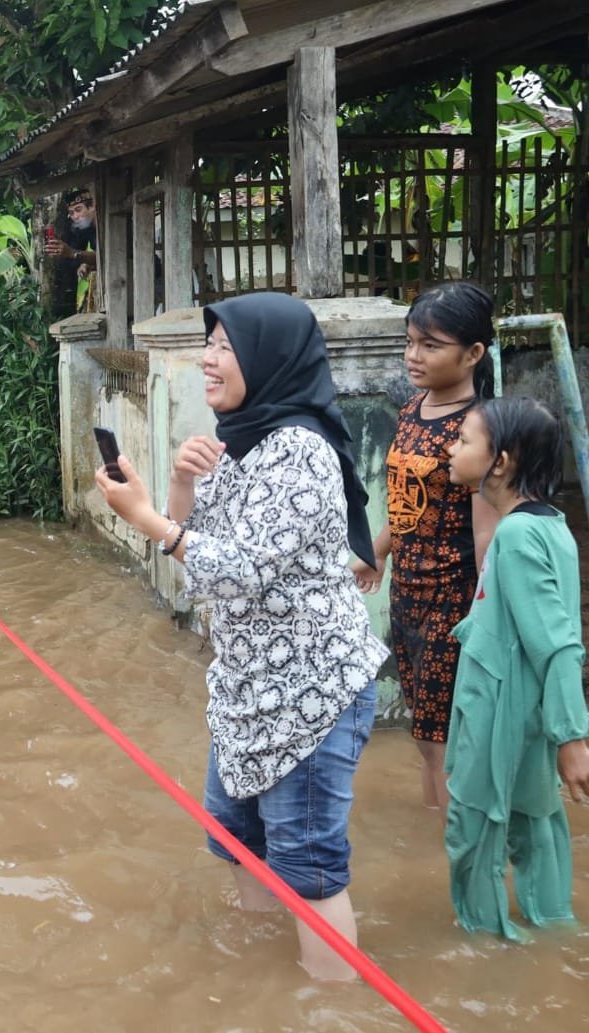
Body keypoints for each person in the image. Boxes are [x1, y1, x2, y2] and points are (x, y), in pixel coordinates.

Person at [94, 292, 385, 981]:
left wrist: (153, 523)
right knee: (236, 838)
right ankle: (259, 975)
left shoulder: (302, 452)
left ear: (268, 357)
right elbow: (203, 567)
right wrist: (179, 488)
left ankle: (332, 1002)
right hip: (248, 691)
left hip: (312, 696)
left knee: (310, 864)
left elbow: (243, 570)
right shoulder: (249, 441)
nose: (208, 359)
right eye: (211, 344)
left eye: (225, 347)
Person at [442, 396, 589, 940]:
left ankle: (481, 938)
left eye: (463, 441)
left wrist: (573, 737)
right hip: (528, 713)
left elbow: (556, 643)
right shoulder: (551, 525)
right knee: (536, 822)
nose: (451, 452)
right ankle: (553, 930)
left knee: (472, 827)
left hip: (501, 712)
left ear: (500, 461)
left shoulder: (516, 535)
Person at [352, 282, 497, 809]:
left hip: (454, 597)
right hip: (408, 591)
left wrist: (491, 609)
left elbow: (488, 529)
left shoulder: (480, 427)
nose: (414, 356)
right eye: (410, 341)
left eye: (430, 345)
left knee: (442, 739)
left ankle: (455, 852)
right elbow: (413, 501)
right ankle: (439, 837)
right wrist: (381, 549)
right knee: (424, 732)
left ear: (473, 353)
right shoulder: (414, 409)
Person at [43, 189, 98, 317]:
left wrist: (73, 253)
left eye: (78, 210)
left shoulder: (109, 224)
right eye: (71, 213)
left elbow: (110, 256)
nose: (75, 217)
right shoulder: (88, 230)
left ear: (92, 207)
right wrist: (88, 265)